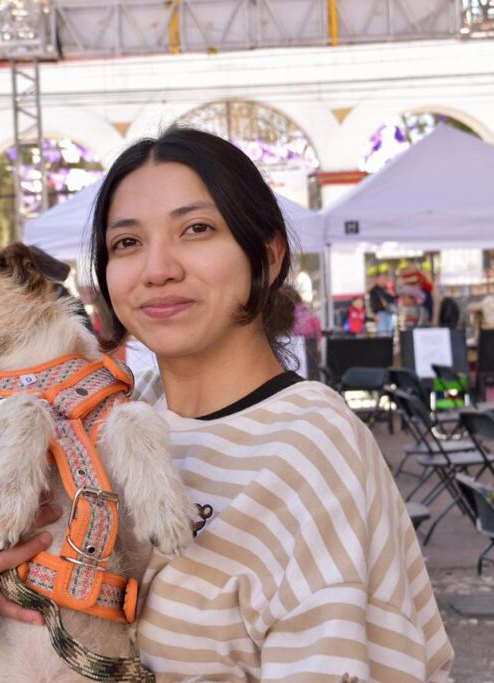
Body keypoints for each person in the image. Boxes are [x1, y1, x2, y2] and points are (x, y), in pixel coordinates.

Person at [88, 127, 452, 680]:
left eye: (197, 229)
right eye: (127, 243)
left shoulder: (309, 448)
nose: (157, 269)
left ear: (267, 254)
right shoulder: (119, 422)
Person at [369, 271, 397, 336]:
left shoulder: (387, 289)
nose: (382, 281)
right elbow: (373, 303)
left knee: (389, 330)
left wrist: (392, 294)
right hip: (380, 313)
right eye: (381, 279)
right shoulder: (374, 290)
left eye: (384, 279)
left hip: (389, 312)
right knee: (382, 331)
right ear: (377, 280)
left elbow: (393, 300)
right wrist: (375, 314)